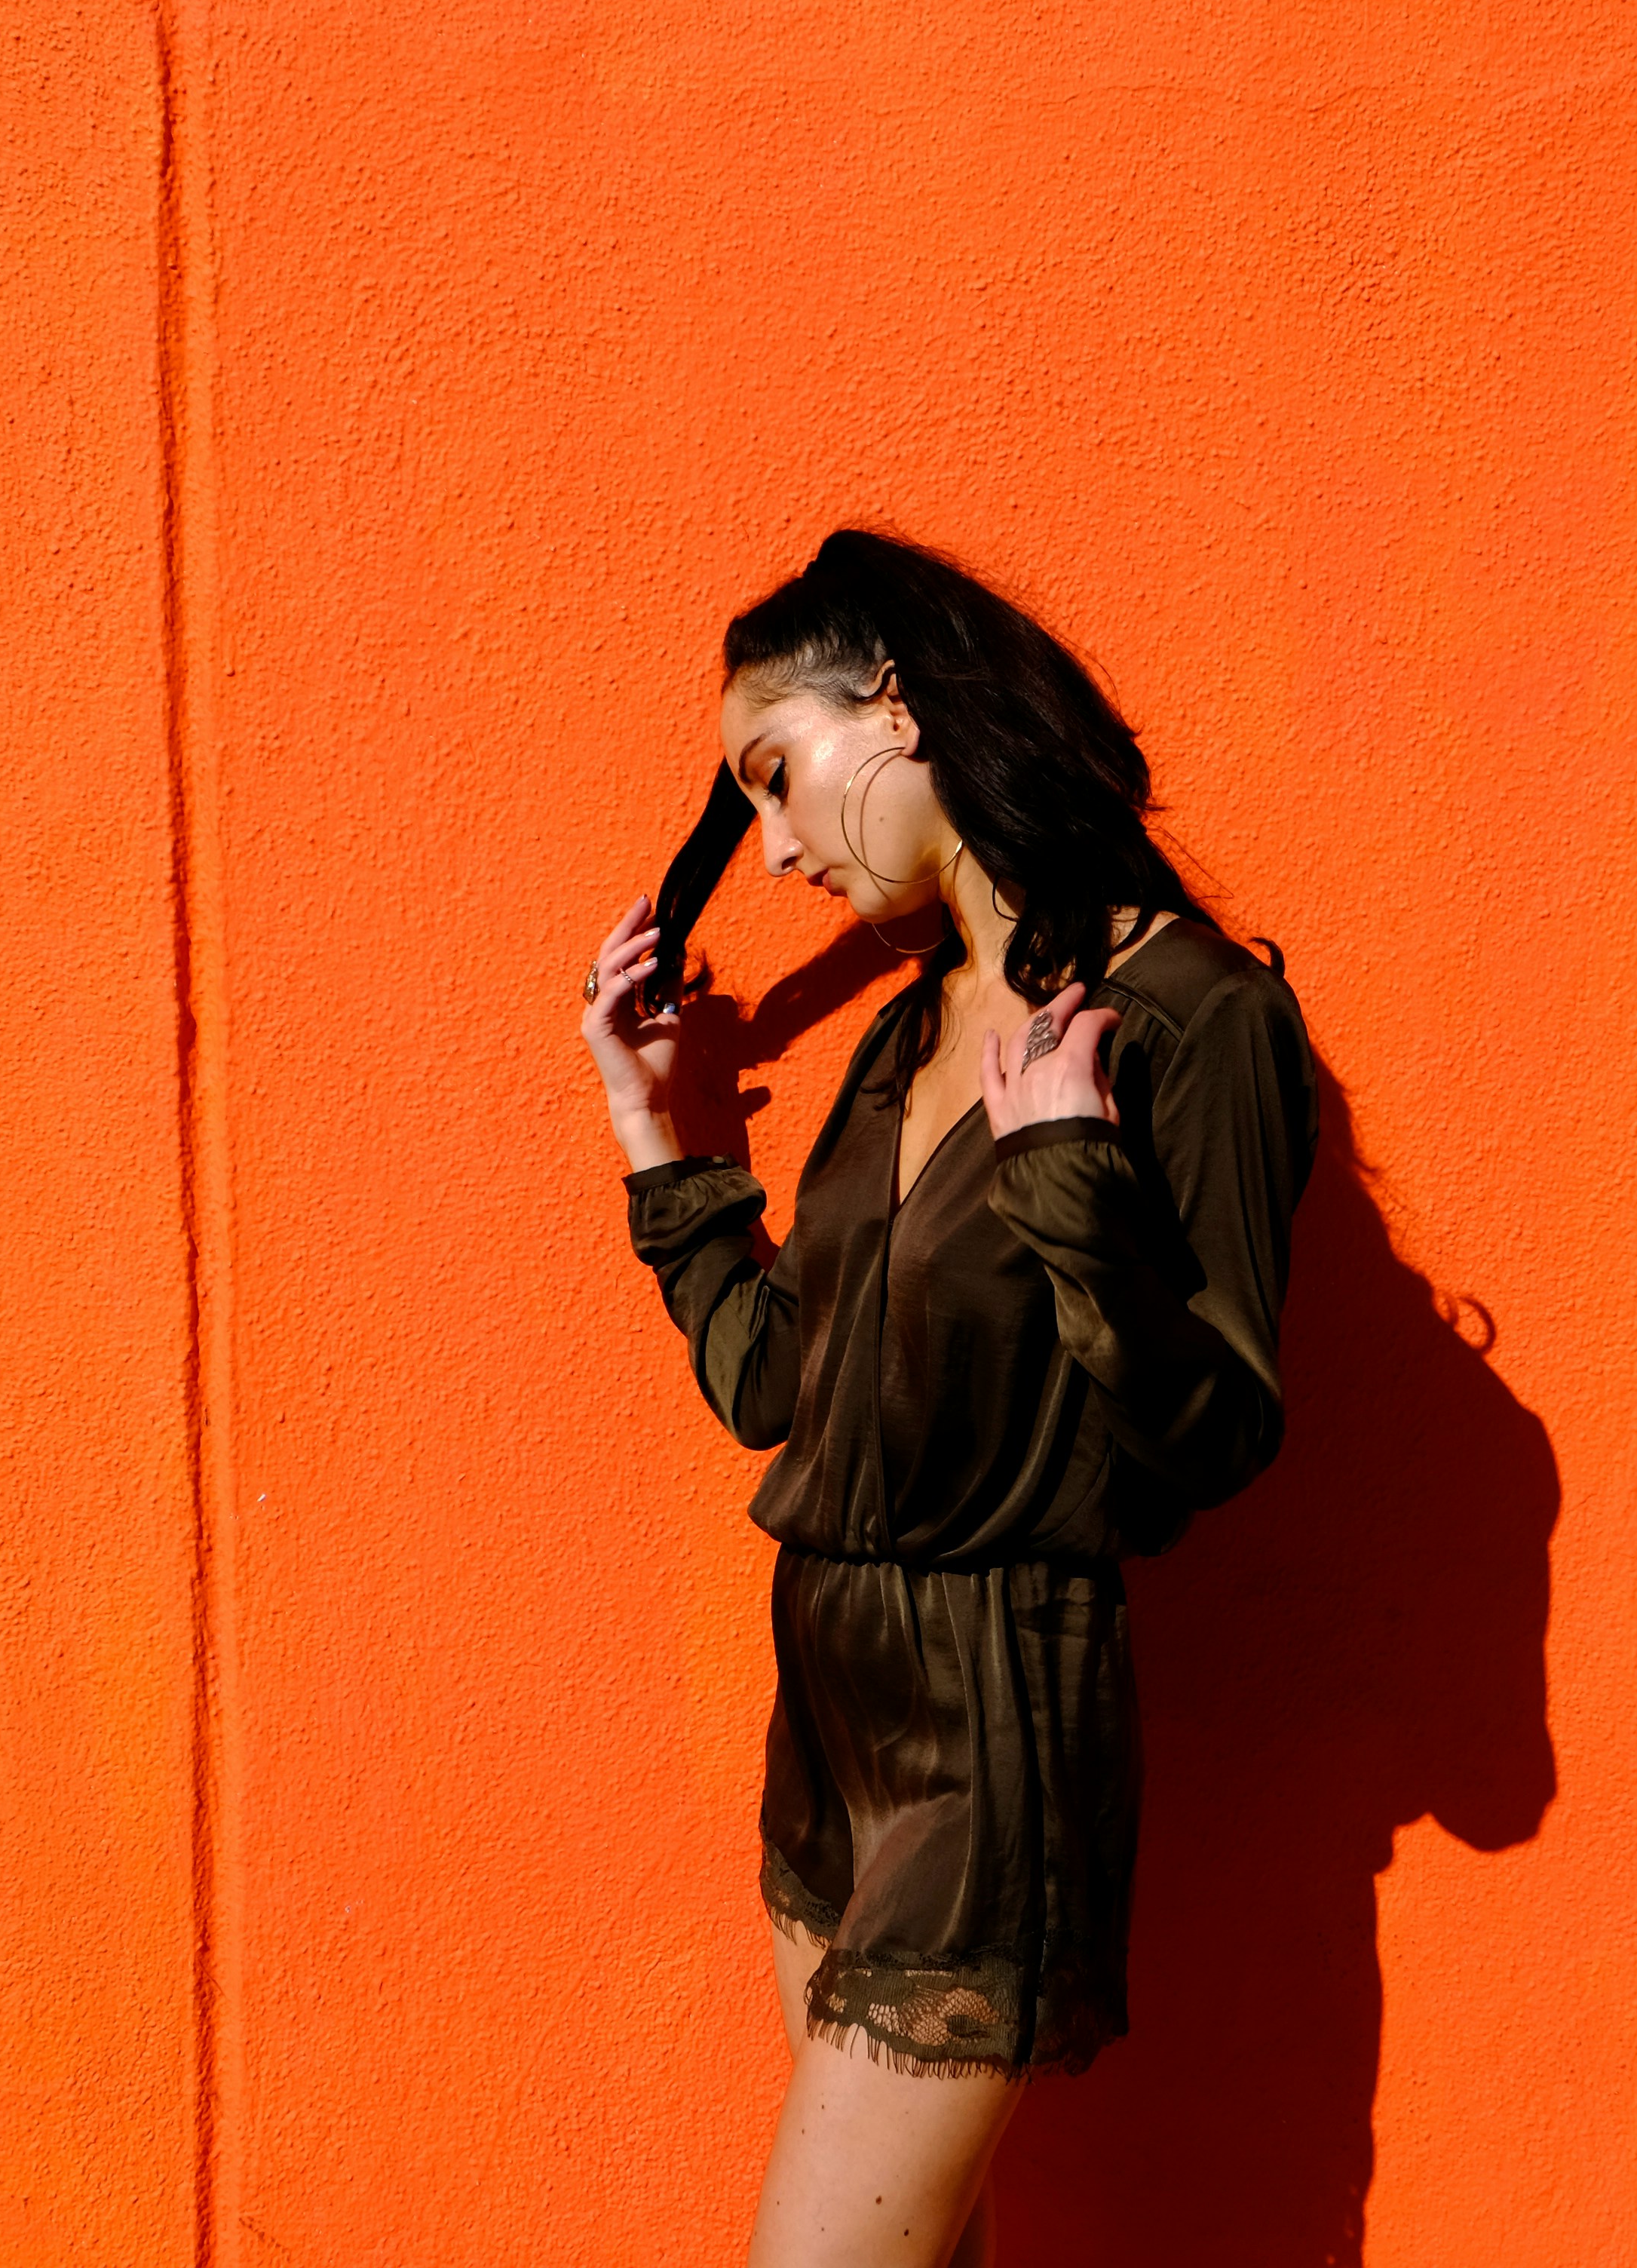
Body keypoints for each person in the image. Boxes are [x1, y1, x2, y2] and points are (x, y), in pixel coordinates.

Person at [575, 529, 1320, 2266]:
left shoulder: (1188, 1019)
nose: (771, 851)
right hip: (829, 1717)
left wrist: (1074, 1183)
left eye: (781, 777)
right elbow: (782, 1392)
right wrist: (655, 1135)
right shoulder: (913, 1033)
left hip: (996, 1719)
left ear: (896, 707)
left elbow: (1213, 1443)